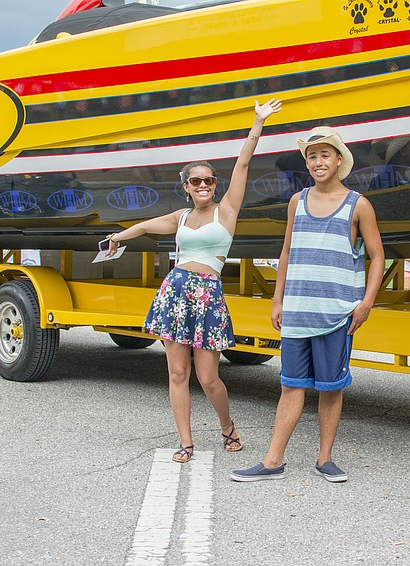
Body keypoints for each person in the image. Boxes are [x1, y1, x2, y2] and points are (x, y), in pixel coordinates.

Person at [105, 98, 282, 463]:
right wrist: (116, 239)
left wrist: (257, 124)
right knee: (177, 372)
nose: (203, 185)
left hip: (207, 295)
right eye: (196, 181)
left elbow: (244, 162)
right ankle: (185, 442)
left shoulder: (227, 210)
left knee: (209, 378)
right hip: (175, 292)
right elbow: (144, 225)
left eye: (208, 180)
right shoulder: (181, 216)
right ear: (186, 186)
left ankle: (227, 427)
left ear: (215, 185)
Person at [231, 126, 384, 483]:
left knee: (330, 388)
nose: (317, 161)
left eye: (325, 154)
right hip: (298, 311)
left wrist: (366, 303)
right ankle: (272, 461)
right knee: (290, 385)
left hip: (336, 313)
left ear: (339, 160)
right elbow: (286, 252)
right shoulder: (296, 201)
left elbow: (377, 257)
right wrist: (277, 299)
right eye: (312, 156)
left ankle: (325, 459)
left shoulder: (358, 204)